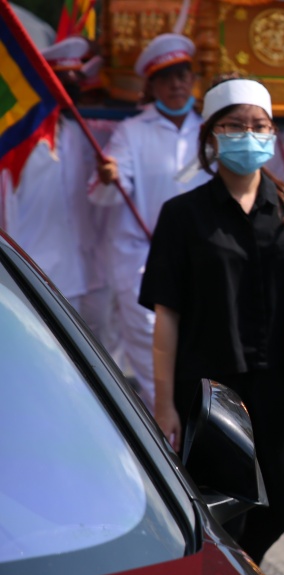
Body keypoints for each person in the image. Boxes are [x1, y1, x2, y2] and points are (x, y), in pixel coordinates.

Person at [139, 78, 284, 564]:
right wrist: (162, 402)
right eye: (234, 125)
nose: (248, 134)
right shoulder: (182, 215)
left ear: (273, 133)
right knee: (220, 505)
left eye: (259, 125)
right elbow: (166, 313)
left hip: (279, 386)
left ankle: (242, 573)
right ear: (211, 137)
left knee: (280, 507)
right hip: (208, 387)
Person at [88, 33, 212, 408]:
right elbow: (104, 189)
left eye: (183, 74)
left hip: (199, 257)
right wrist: (110, 176)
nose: (176, 84)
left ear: (193, 79)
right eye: (166, 76)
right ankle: (162, 435)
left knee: (199, 348)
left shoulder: (210, 130)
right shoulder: (131, 131)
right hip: (143, 257)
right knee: (150, 351)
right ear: (152, 84)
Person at [1, 37, 92, 314]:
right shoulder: (19, 142)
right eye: (62, 81)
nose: (69, 89)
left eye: (75, 79)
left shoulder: (81, 134)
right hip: (31, 275)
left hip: (75, 275)